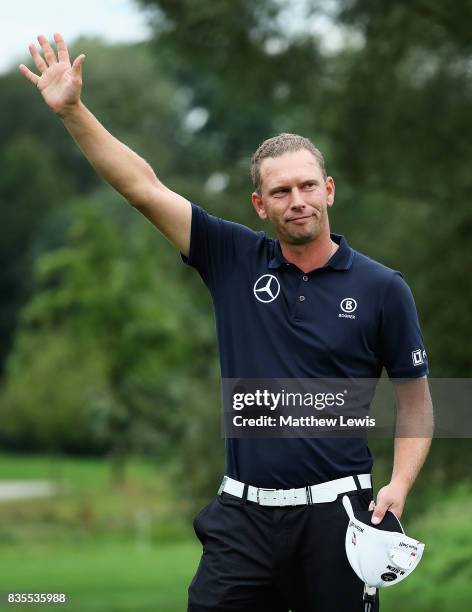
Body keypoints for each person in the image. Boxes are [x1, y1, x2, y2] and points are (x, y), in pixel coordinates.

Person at [20, 33, 433, 612]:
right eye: (281, 191)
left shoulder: (384, 288)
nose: (298, 200)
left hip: (339, 518)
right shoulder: (232, 257)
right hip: (243, 517)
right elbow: (143, 188)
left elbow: (415, 399)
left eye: (308, 185)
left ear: (329, 190)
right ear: (260, 205)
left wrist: (400, 483)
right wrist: (72, 112)